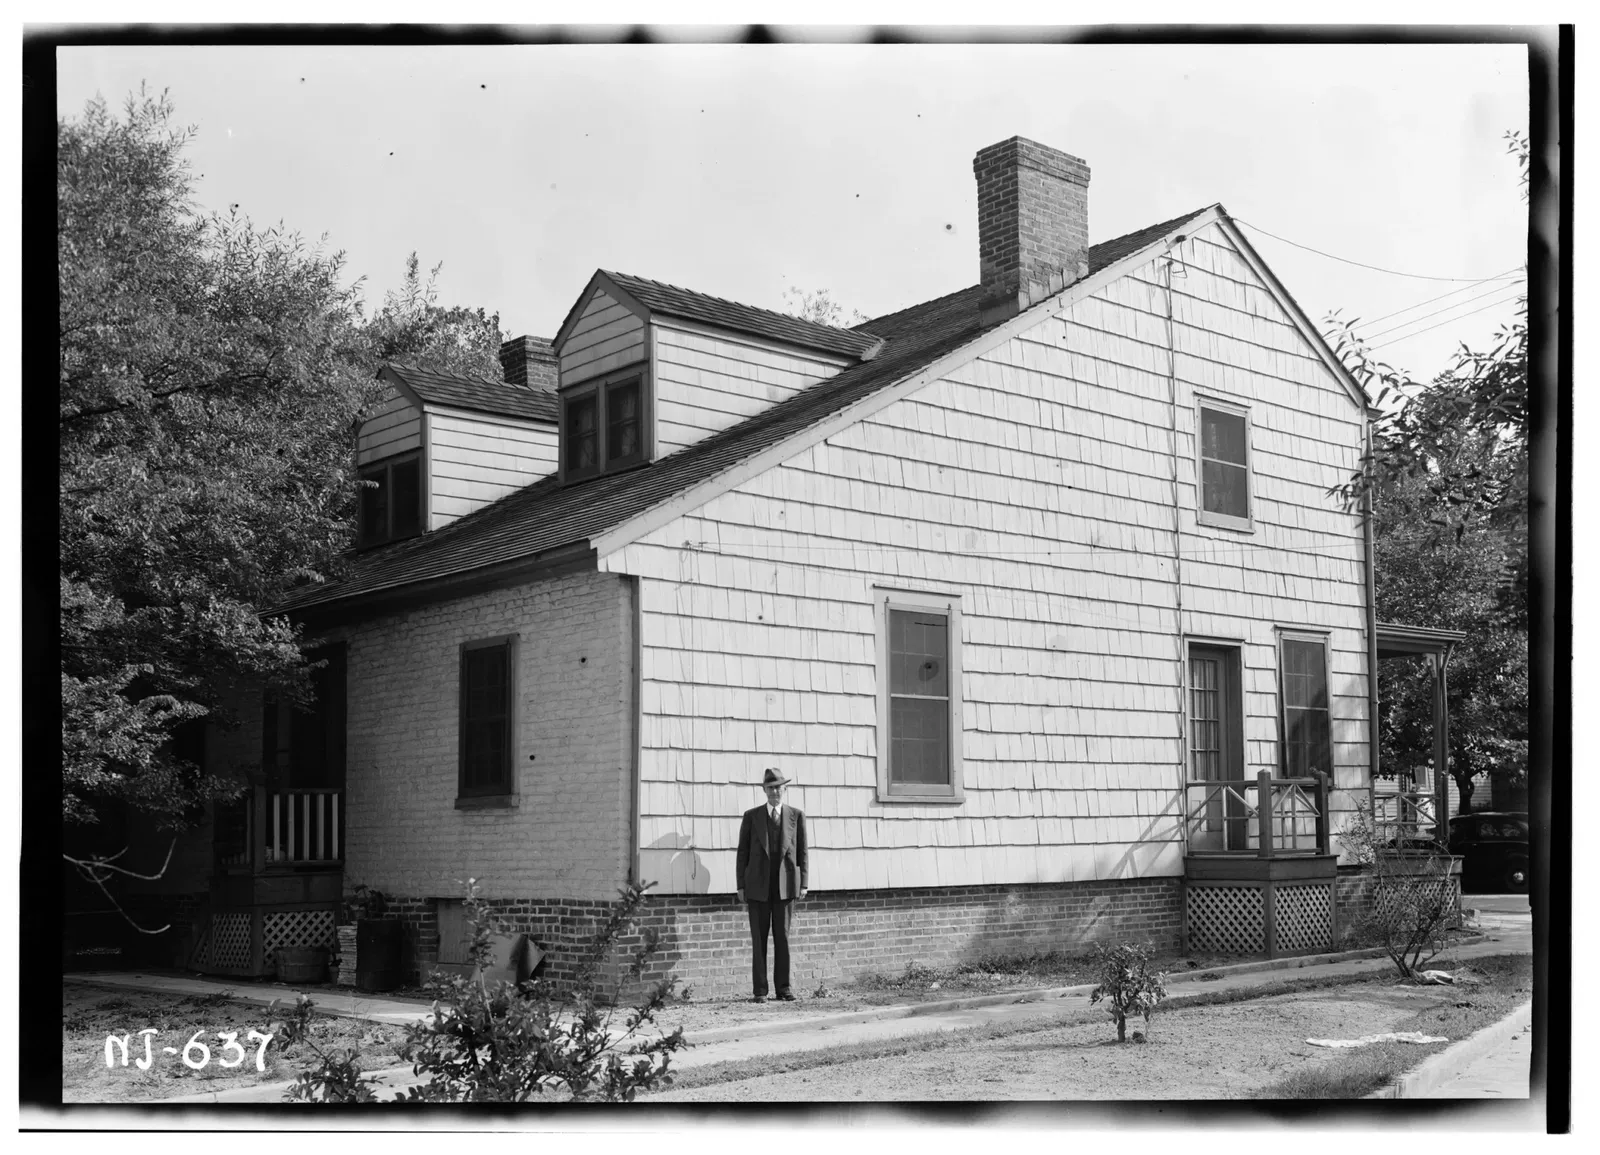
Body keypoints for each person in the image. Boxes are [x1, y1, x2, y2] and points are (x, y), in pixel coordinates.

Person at [736, 767, 808, 1002]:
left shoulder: (796, 816)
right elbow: (742, 853)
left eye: (778, 787)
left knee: (783, 938)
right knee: (759, 940)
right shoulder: (751, 816)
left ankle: (784, 988)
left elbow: (802, 852)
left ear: (784, 789)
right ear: (764, 790)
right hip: (757, 887)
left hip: (785, 887)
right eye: (770, 788)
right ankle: (760, 991)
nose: (774, 792)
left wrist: (803, 883)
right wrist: (741, 885)